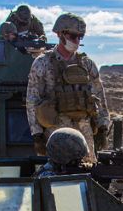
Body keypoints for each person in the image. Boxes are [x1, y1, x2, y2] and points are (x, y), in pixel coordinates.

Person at [26, 12, 110, 163]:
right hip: (56, 132)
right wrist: (37, 135)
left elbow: (99, 96)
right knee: (57, 175)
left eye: (80, 37)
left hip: (85, 132)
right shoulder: (43, 63)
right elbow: (32, 99)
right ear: (60, 34)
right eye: (73, 36)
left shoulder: (87, 64)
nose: (77, 40)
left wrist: (103, 127)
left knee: (88, 172)